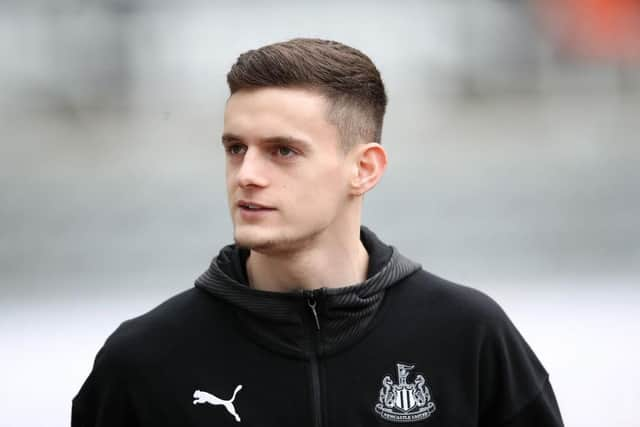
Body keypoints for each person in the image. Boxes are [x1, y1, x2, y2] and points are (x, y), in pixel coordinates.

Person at [72, 38, 564, 427]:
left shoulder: (469, 337)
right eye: (235, 148)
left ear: (364, 169)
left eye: (283, 150)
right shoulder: (143, 360)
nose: (247, 174)